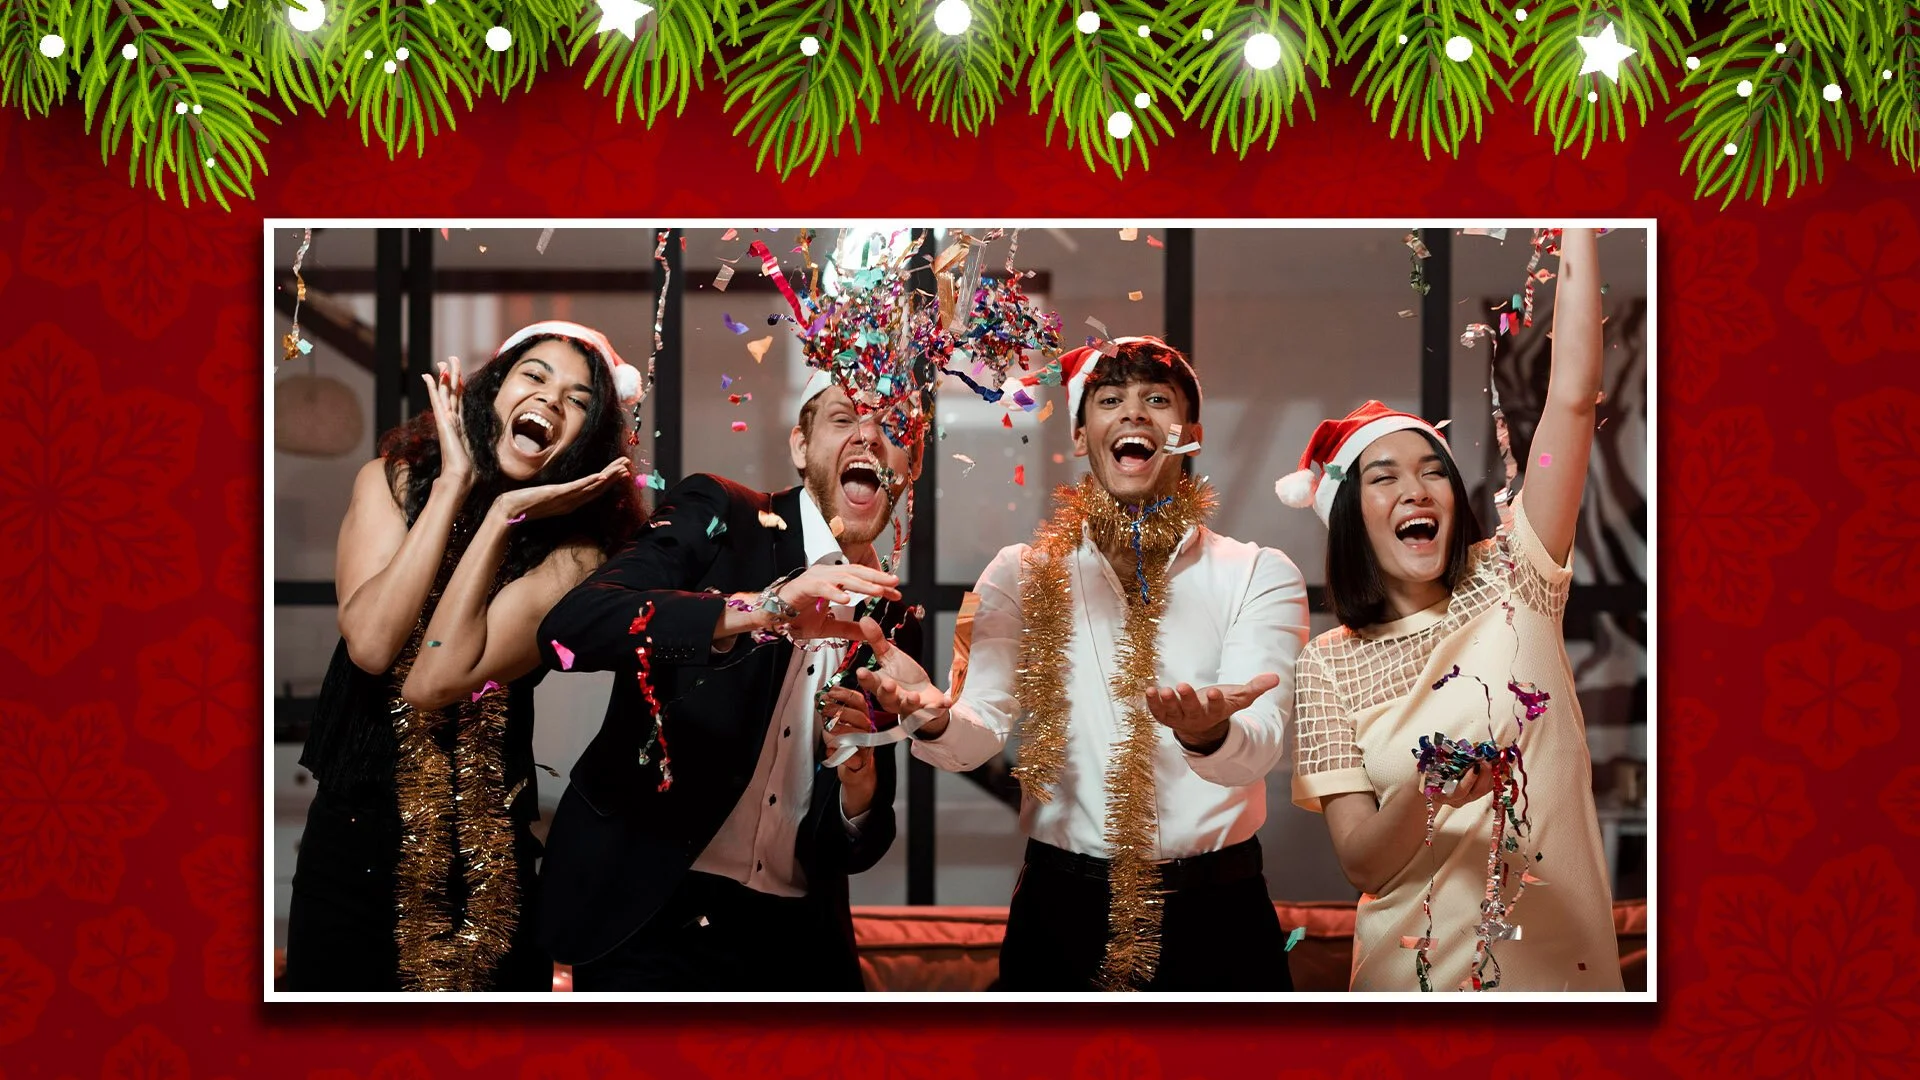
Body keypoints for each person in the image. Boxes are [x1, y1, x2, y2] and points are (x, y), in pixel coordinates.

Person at [859, 337, 1311, 991]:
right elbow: (975, 734)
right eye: (1109, 400)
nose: (1134, 414)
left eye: (1157, 400)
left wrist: (1208, 729)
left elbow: (1257, 747)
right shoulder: (1018, 573)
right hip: (1061, 910)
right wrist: (931, 717)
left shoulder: (1259, 574)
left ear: (1190, 435)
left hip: (1219, 913)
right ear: (1079, 435)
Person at [1278, 227, 1622, 991]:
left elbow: (1571, 396)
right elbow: (1361, 860)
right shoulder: (1327, 663)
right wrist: (1426, 796)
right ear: (1350, 518)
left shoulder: (1517, 577)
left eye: (1432, 469)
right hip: (1409, 989)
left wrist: (1582, 220)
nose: (1416, 489)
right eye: (1383, 477)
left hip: (1560, 989)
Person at [283, 320, 644, 991]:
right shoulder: (391, 482)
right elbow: (370, 644)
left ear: (588, 440)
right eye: (534, 376)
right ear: (494, 389)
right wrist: (452, 485)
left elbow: (433, 679)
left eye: (578, 400)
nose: (551, 401)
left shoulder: (578, 553)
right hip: (349, 842)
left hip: (482, 869)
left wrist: (505, 514)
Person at [534, 370, 924, 991]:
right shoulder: (721, 515)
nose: (870, 437)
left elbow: (855, 849)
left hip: (795, 942)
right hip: (650, 911)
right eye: (845, 418)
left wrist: (861, 785)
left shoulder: (891, 616)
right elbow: (573, 628)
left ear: (914, 459)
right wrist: (765, 607)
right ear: (801, 445)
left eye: (894, 426)